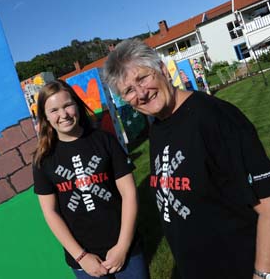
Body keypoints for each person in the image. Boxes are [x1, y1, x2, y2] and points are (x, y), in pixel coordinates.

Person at [103, 39, 270, 279]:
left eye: (143, 78)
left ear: (162, 70)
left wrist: (262, 274)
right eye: (128, 90)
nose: (141, 93)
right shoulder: (159, 126)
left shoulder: (214, 118)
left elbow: (268, 205)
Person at [32, 80, 148, 279]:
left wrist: (122, 246)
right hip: (83, 258)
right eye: (54, 110)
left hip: (126, 248)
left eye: (68, 105)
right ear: (45, 117)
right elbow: (50, 212)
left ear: (77, 104)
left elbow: (129, 194)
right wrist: (81, 256)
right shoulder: (43, 159)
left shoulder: (105, 140)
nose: (64, 115)